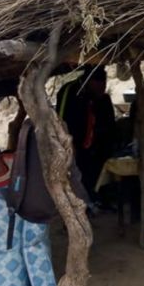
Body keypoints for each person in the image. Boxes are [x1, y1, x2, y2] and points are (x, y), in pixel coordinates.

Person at [56, 66, 117, 202]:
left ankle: (98, 200)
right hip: (74, 144)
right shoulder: (70, 91)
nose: (102, 88)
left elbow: (109, 124)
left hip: (97, 147)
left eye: (104, 84)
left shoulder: (102, 99)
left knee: (96, 175)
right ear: (89, 81)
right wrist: (67, 144)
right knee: (77, 176)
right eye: (99, 84)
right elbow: (60, 121)